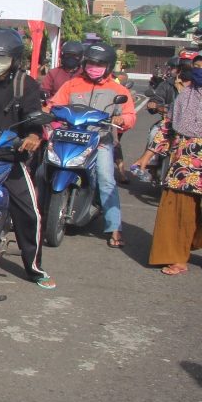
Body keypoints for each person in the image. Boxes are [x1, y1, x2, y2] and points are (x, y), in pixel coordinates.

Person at [0, 29, 54, 289]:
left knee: (30, 213)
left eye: (3, 58)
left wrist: (33, 135)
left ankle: (34, 267)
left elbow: (34, 114)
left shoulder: (26, 84)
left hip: (11, 158)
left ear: (15, 59)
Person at [49, 42, 136, 248]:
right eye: (90, 62)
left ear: (109, 65)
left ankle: (114, 227)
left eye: (99, 63)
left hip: (100, 141)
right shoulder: (72, 84)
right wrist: (49, 114)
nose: (93, 67)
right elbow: (54, 104)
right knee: (44, 168)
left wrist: (122, 120)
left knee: (106, 180)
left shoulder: (117, 89)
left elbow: (129, 115)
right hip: (70, 137)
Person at [144, 52, 202, 275]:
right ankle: (177, 257)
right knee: (178, 211)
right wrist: (147, 156)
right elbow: (167, 127)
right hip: (183, 164)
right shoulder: (185, 96)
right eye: (196, 67)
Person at [132, 50, 198, 177]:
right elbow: (156, 100)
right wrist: (154, 105)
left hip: (193, 128)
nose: (188, 69)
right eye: (184, 66)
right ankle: (149, 162)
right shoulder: (167, 84)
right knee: (154, 133)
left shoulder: (198, 87)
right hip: (168, 122)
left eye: (192, 66)